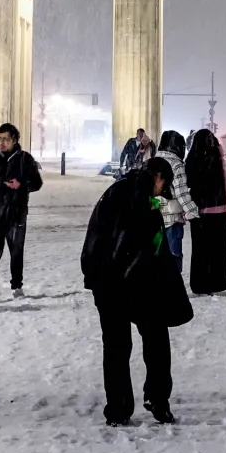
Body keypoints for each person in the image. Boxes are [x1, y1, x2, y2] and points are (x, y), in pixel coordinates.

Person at [81, 156, 184, 425]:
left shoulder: (115, 190)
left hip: (107, 283)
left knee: (115, 347)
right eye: (164, 185)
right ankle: (158, 399)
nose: (162, 192)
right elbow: (151, 249)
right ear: (158, 178)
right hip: (138, 284)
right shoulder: (142, 200)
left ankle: (118, 409)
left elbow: (97, 239)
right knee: (157, 342)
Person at [0, 122, 43, 302]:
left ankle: (17, 286)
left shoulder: (25, 159)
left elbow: (37, 183)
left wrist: (22, 185)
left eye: (6, 139)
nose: (2, 142)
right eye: (0, 138)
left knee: (16, 251)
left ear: (14, 140)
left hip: (17, 212)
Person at [184, 128, 226, 294]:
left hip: (201, 210)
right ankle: (216, 282)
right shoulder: (220, 159)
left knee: (200, 250)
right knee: (218, 250)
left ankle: (200, 282)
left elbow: (188, 181)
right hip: (221, 209)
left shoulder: (193, 159)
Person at [155, 130, 199, 274]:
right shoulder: (176, 164)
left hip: (155, 216)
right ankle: (173, 287)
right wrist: (192, 211)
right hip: (172, 218)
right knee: (174, 254)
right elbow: (181, 192)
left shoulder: (152, 161)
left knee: (157, 253)